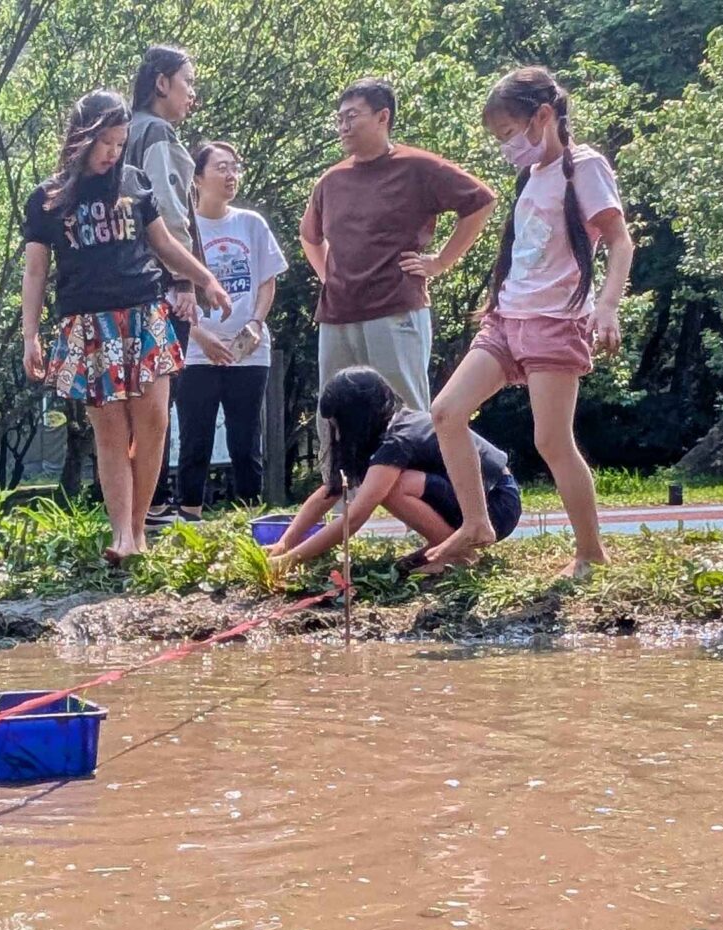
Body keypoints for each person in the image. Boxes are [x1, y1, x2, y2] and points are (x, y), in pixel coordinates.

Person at [421, 68, 635, 576]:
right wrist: (497, 301)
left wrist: (607, 306)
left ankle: (591, 553)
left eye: (508, 133)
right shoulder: (531, 175)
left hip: (555, 322)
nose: (506, 147)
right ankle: (477, 524)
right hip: (506, 318)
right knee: (446, 412)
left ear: (543, 116)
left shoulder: (584, 167)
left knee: (552, 441)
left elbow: (620, 240)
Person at [18, 90, 232, 564]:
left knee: (153, 423)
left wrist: (206, 279)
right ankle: (121, 535)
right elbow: (34, 272)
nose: (113, 153)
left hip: (144, 315)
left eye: (120, 143)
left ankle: (138, 531)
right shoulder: (48, 198)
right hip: (87, 323)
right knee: (111, 432)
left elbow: (165, 245)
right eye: (106, 143)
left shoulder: (135, 182)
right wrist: (30, 335)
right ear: (82, 138)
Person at [300, 78, 497, 409]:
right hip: (337, 315)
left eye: (352, 116)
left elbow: (481, 201)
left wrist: (441, 261)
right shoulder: (331, 180)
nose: (343, 126)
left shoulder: (418, 166)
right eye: (339, 118)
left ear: (383, 117)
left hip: (395, 308)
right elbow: (309, 236)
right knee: (334, 411)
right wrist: (328, 277)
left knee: (404, 410)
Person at [272, 366, 521, 570]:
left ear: (355, 420)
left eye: (338, 422)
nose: (336, 431)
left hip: (497, 504)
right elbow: (329, 492)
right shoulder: (390, 428)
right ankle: (445, 546)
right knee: (393, 486)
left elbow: (355, 517)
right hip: (492, 497)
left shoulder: (398, 439)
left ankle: (458, 555)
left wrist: (290, 560)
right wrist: (284, 544)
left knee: (393, 488)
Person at [171, 140, 285, 521]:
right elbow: (170, 290)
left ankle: (250, 518)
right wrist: (199, 335)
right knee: (195, 438)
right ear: (197, 177)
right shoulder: (181, 230)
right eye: (221, 167)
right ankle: (189, 517)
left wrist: (255, 323)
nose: (231, 175)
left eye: (234, 167)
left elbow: (267, 281)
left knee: (245, 438)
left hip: (248, 351)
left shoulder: (251, 224)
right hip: (196, 350)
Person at [124, 43, 204, 531]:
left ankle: (129, 507)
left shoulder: (123, 131)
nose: (192, 94)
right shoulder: (156, 132)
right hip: (160, 283)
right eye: (187, 82)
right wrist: (185, 280)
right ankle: (150, 508)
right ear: (161, 82)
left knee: (129, 400)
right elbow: (169, 214)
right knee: (157, 399)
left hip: (123, 283)